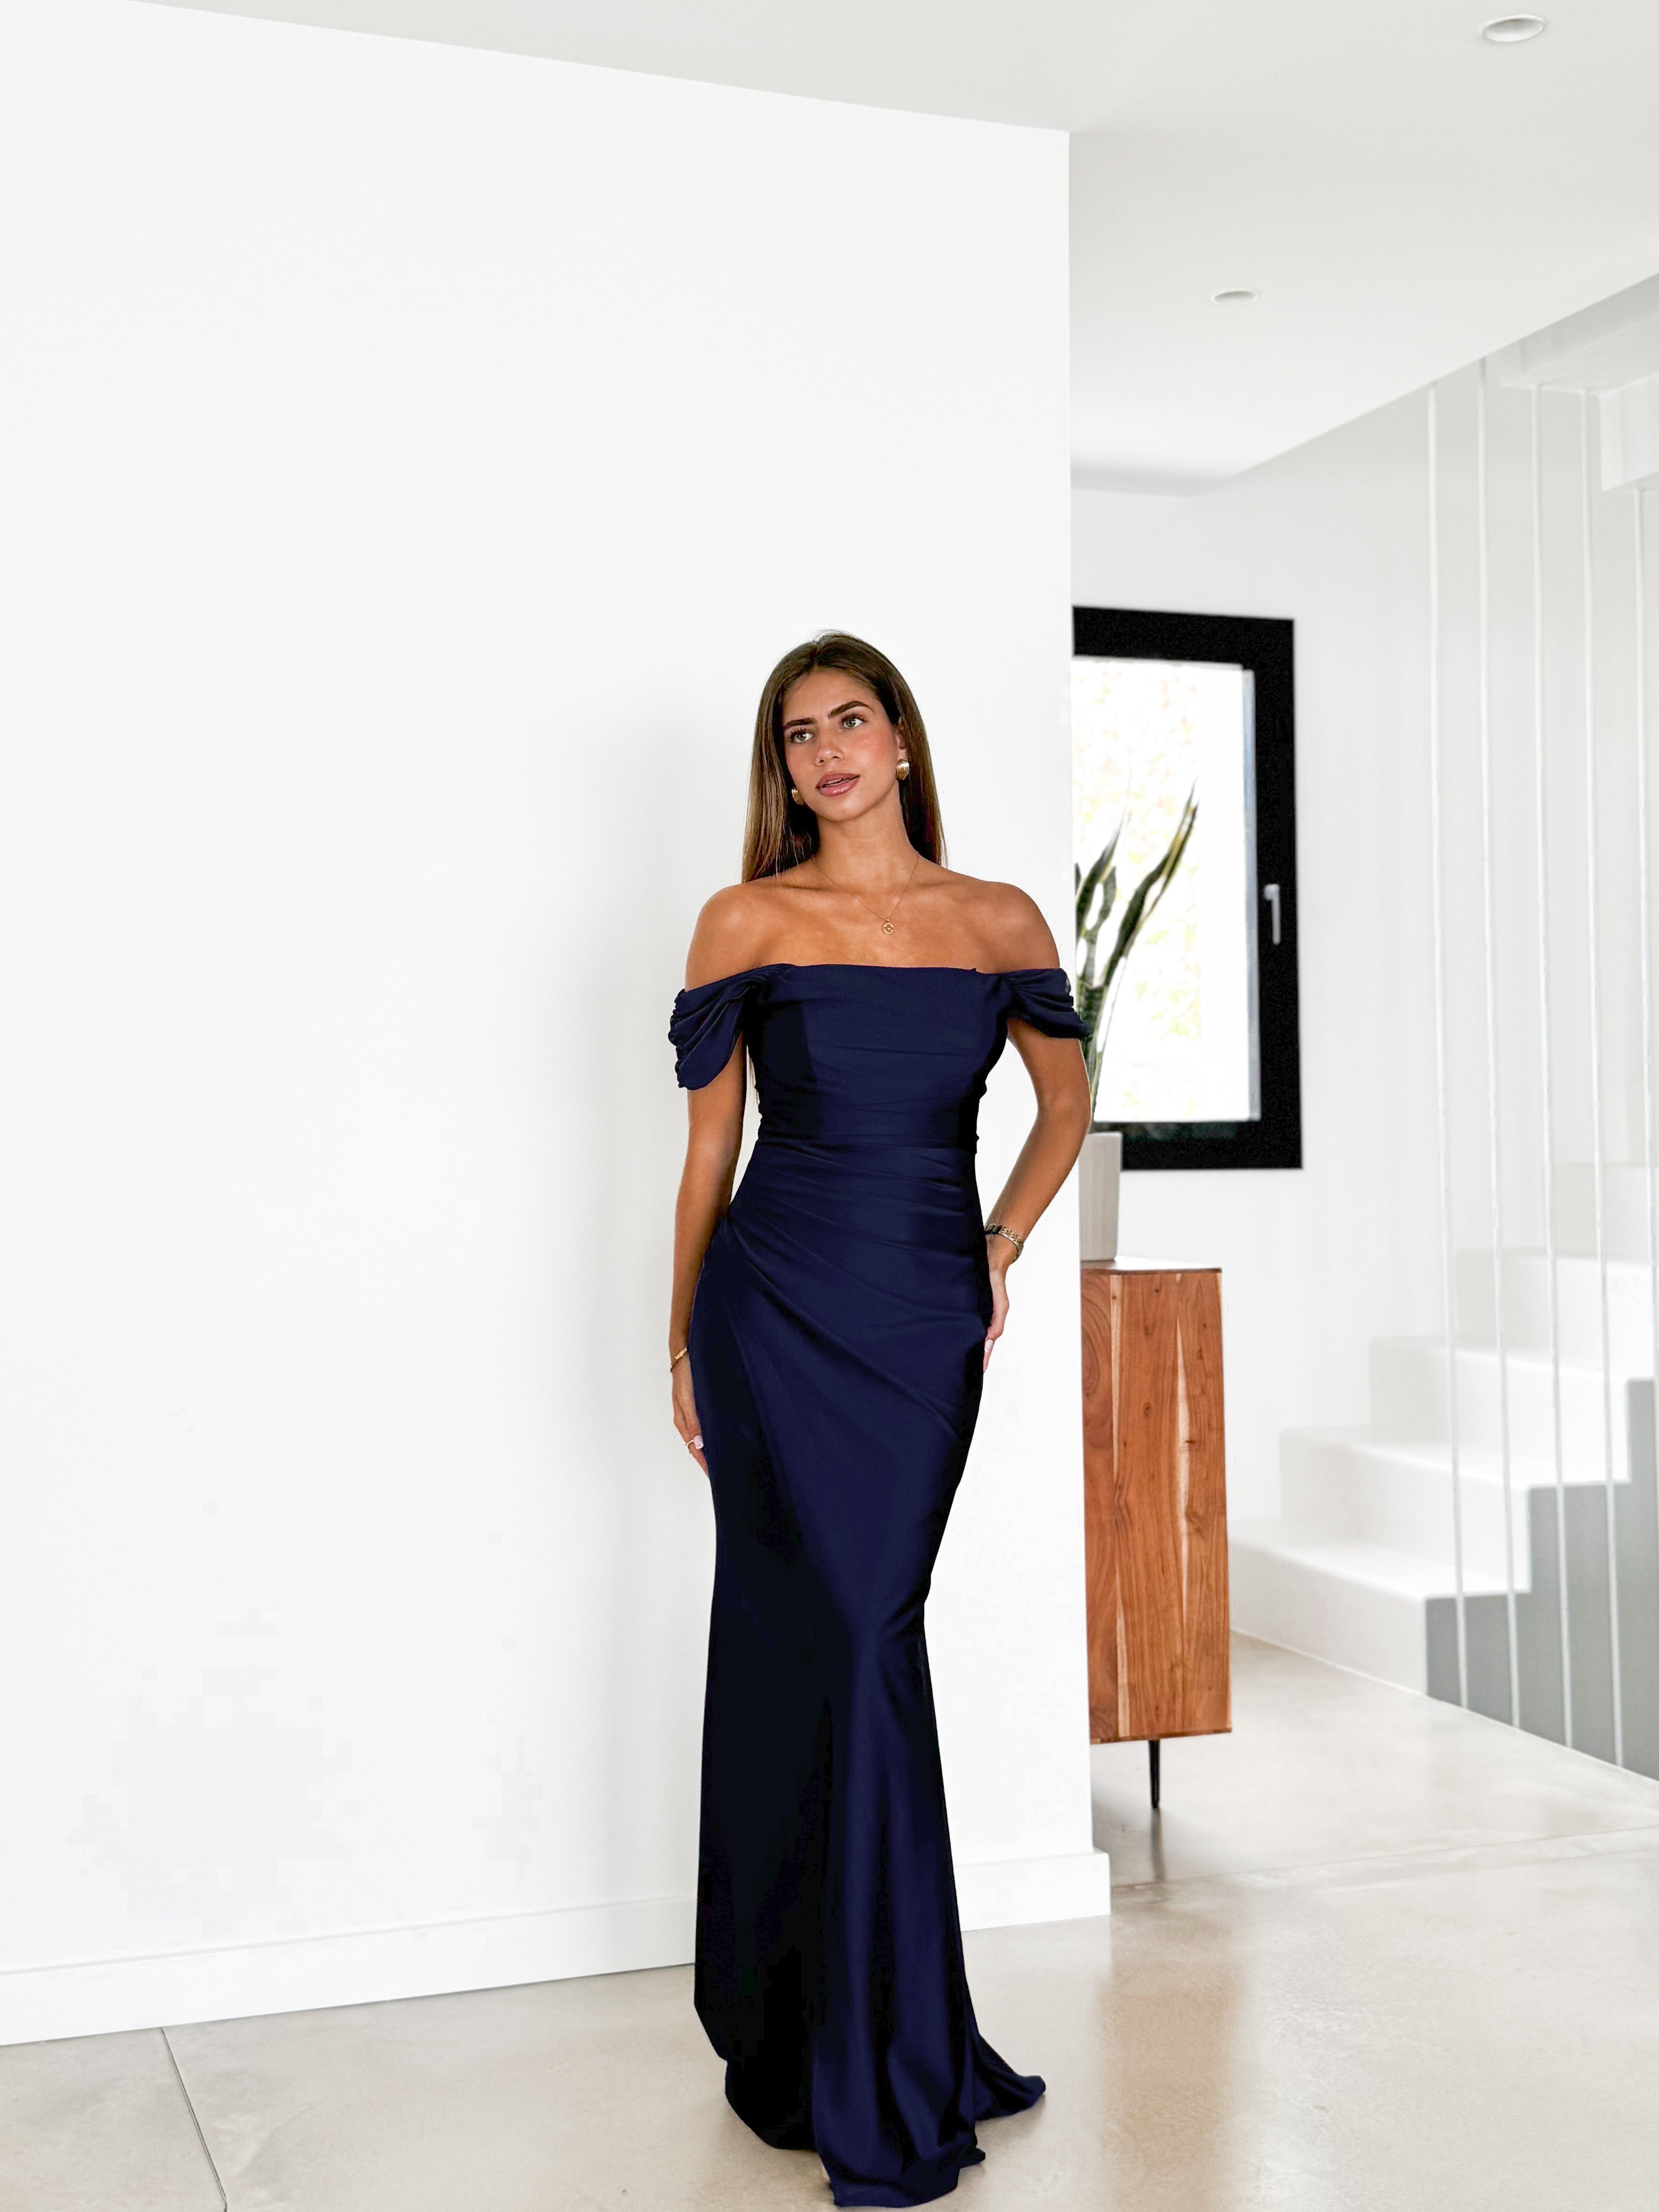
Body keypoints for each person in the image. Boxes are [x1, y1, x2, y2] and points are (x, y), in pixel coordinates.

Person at [666, 632, 1092, 2207]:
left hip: (918, 1313)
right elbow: (709, 1154)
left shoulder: (999, 921)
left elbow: (1065, 1102)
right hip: (771, 1310)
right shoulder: (747, 920)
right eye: (798, 736)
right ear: (782, 771)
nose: (827, 752)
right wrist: (679, 1335)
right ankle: (817, 2039)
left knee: (866, 1630)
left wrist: (1001, 1241)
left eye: (851, 721)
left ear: (902, 741)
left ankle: (886, 2041)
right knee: (814, 1646)